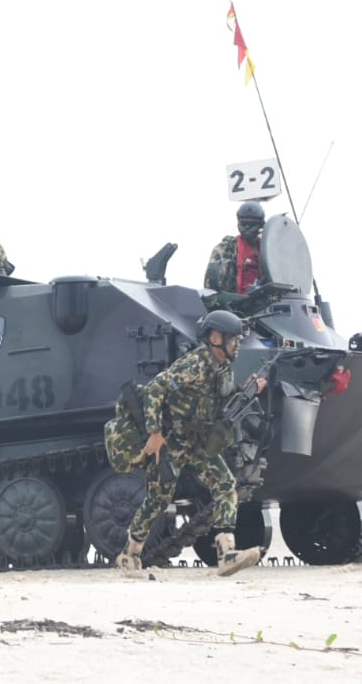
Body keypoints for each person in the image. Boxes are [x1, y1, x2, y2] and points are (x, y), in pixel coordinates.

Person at [111, 310, 264, 577]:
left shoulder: (223, 368)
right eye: (233, 339)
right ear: (215, 338)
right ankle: (130, 555)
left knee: (225, 484)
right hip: (171, 442)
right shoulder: (194, 364)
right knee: (158, 500)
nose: (237, 344)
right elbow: (156, 388)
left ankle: (226, 552)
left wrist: (248, 389)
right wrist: (155, 433)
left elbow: (220, 400)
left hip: (198, 442)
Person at [204, 201, 265, 295]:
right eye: (243, 223)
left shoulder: (267, 249)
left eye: (252, 224)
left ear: (260, 225)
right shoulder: (225, 249)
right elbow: (210, 284)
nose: (247, 227)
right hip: (234, 304)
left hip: (262, 302)